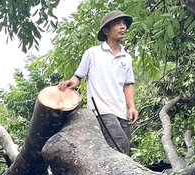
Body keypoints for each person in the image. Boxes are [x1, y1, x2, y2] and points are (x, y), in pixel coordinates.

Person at [58, 10, 138, 155]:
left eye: (124, 23)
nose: (123, 27)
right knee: (120, 147)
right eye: (117, 23)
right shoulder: (92, 53)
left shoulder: (126, 57)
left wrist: (131, 107)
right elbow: (78, 77)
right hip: (102, 111)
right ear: (106, 30)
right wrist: (71, 83)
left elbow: (128, 85)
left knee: (122, 152)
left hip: (121, 112)